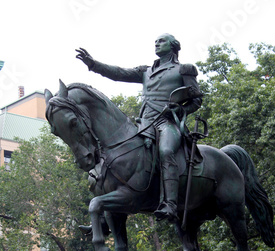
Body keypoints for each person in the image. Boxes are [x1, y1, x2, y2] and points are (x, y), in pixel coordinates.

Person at [76, 33, 202, 223]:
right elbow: (119, 73)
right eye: (156, 42)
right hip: (144, 124)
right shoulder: (146, 71)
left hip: (167, 123)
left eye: (161, 41)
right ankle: (104, 216)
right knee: (113, 153)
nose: (157, 44)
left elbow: (197, 100)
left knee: (166, 151)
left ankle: (170, 204)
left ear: (173, 45)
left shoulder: (184, 70)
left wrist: (179, 109)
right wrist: (93, 64)